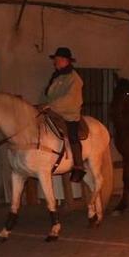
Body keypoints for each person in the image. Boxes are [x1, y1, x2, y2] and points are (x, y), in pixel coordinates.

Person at [40, 47, 85, 183]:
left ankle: (78, 166)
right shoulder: (57, 76)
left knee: (72, 135)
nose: (55, 62)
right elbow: (50, 94)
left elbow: (70, 99)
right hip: (53, 109)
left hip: (68, 113)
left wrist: (51, 105)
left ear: (65, 61)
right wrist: (46, 105)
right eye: (55, 60)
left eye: (57, 60)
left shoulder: (74, 79)